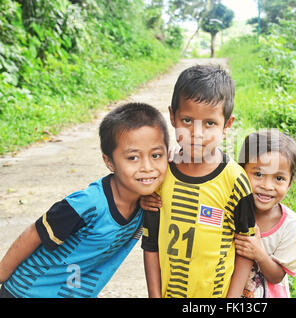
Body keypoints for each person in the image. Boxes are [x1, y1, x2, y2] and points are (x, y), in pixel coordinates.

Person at [0, 103, 169, 298]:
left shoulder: (147, 200)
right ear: (109, 162)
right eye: (133, 158)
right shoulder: (88, 204)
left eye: (156, 155)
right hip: (27, 292)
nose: (147, 167)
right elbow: (34, 233)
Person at [140, 64, 256, 298]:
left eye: (210, 123)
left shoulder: (235, 181)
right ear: (172, 116)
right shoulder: (160, 175)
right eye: (187, 120)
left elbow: (245, 248)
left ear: (227, 124)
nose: (197, 132)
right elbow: (150, 244)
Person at [234, 129, 296, 298]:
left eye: (279, 178)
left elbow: (277, 276)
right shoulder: (231, 209)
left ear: (289, 183)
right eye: (259, 174)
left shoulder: (289, 225)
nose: (267, 186)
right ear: (241, 171)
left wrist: (259, 254)